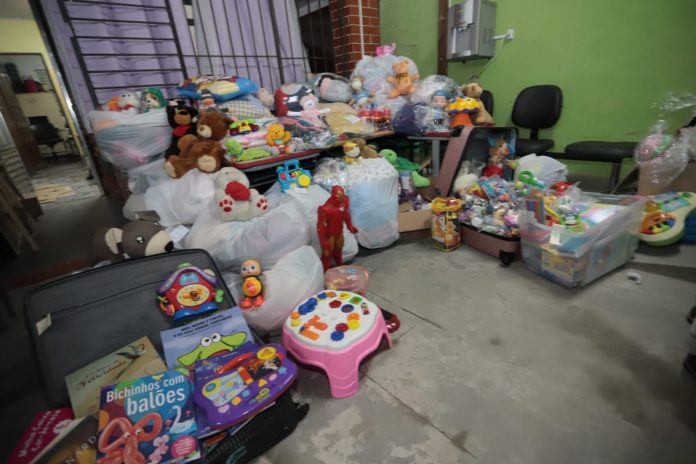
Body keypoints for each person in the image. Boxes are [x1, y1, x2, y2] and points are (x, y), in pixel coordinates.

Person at [317, 186, 358, 271]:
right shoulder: (326, 209)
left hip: (339, 233)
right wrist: (323, 240)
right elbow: (320, 226)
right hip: (329, 235)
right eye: (338, 197)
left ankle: (340, 266)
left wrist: (350, 225)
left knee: (338, 250)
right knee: (327, 254)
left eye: (341, 197)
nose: (340, 199)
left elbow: (345, 214)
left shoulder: (344, 202)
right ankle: (325, 272)